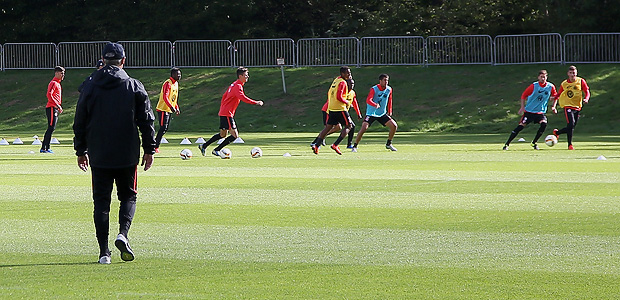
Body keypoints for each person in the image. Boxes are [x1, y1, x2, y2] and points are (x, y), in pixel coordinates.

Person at [73, 42, 156, 265]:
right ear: (123, 60)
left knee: (101, 202)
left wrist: (80, 149)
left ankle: (103, 252)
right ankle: (123, 234)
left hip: (99, 152)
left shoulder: (90, 85)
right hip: (127, 151)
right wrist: (149, 149)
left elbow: (80, 119)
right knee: (128, 196)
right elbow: (146, 120)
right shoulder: (133, 85)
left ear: (103, 60)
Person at [198, 67, 263, 156]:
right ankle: (216, 150)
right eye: (246, 75)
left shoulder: (233, 84)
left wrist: (222, 108)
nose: (247, 76)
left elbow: (224, 96)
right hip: (227, 113)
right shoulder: (237, 86)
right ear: (240, 76)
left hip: (224, 112)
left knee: (223, 134)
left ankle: (204, 146)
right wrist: (256, 102)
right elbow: (242, 97)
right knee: (235, 135)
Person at [502, 70, 557, 150]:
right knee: (520, 127)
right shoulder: (534, 86)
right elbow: (524, 95)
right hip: (529, 112)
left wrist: (553, 106)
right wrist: (522, 107)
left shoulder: (550, 86)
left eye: (544, 77)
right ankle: (507, 144)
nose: (543, 79)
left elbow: (555, 96)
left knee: (544, 124)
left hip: (540, 112)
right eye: (541, 77)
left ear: (546, 77)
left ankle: (534, 143)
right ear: (538, 77)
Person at [311, 66, 354, 155]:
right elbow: (339, 96)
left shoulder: (336, 80)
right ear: (342, 74)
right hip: (340, 108)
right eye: (347, 73)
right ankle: (335, 144)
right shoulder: (342, 83)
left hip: (331, 108)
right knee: (349, 126)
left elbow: (330, 92)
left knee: (328, 127)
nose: (349, 75)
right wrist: (346, 102)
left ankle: (316, 144)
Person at [351, 73, 398, 152]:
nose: (386, 82)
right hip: (371, 113)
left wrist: (390, 110)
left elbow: (390, 100)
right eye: (384, 80)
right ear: (380, 81)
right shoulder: (374, 89)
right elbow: (368, 100)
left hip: (382, 113)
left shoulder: (389, 89)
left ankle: (389, 144)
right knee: (364, 128)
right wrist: (374, 104)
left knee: (394, 126)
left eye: (387, 80)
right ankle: (355, 146)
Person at [551, 65, 591, 150]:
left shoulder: (581, 81)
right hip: (567, 105)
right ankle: (570, 145)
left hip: (577, 106)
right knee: (571, 124)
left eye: (574, 73)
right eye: (571, 73)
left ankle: (557, 132)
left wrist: (586, 98)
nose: (572, 75)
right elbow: (559, 93)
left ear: (576, 73)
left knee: (571, 126)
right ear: (568, 74)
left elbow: (586, 91)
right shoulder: (564, 83)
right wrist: (554, 97)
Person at [154, 68, 182, 153]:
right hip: (163, 108)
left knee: (165, 128)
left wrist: (176, 107)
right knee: (163, 127)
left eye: (180, 74)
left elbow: (174, 98)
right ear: (173, 74)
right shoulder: (168, 83)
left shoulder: (176, 84)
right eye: (178, 74)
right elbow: (165, 97)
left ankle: (154, 144)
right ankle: (155, 146)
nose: (179, 76)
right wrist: (171, 106)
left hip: (168, 109)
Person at [41, 66, 65, 153]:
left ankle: (46, 147)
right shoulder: (53, 83)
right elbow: (49, 94)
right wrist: (57, 105)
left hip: (54, 108)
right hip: (51, 107)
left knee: (52, 128)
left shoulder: (58, 83)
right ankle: (45, 148)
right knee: (51, 127)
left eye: (63, 73)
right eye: (61, 73)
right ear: (56, 73)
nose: (63, 75)